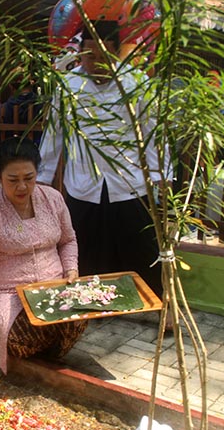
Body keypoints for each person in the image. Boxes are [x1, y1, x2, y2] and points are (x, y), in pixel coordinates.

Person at [38, 21, 170, 302]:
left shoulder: (137, 83)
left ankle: (151, 303)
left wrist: (162, 176)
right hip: (83, 184)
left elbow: (153, 134)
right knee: (85, 250)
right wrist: (42, 180)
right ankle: (91, 306)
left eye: (104, 57)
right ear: (80, 54)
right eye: (89, 56)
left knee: (141, 248)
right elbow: (54, 136)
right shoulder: (67, 86)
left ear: (117, 54)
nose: (96, 63)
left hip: (130, 183)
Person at [0, 137, 87, 374]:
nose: (22, 187)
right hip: (6, 292)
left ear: (37, 173)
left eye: (29, 178)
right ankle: (30, 355)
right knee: (19, 337)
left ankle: (48, 355)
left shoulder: (53, 199)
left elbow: (68, 240)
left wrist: (71, 269)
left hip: (52, 286)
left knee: (78, 317)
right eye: (13, 180)